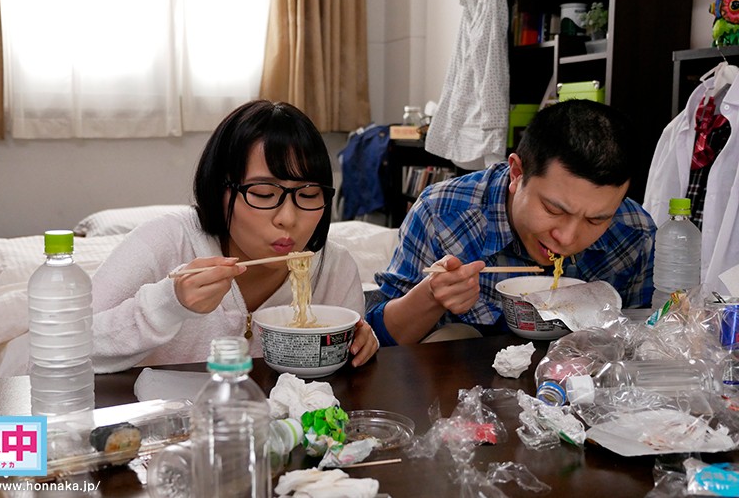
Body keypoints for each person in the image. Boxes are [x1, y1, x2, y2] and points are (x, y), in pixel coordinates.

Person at [92, 100, 378, 372]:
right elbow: (69, 346)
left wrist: (360, 346)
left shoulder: (335, 268)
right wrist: (169, 304)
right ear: (219, 191)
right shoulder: (165, 242)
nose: (288, 218)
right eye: (263, 194)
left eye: (308, 194)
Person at [367, 99, 656, 346]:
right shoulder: (442, 214)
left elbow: (641, 340)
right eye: (553, 209)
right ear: (517, 173)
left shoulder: (634, 233)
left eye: (596, 219)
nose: (567, 238)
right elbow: (377, 340)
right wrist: (431, 296)